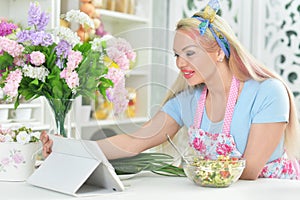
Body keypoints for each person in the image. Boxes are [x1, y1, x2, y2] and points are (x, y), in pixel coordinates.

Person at [41, 0, 300, 180]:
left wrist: (190, 168)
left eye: (190, 53)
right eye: (176, 54)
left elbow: (250, 171)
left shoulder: (269, 93)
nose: (179, 63)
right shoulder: (187, 101)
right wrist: (70, 148)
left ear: (219, 52)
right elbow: (134, 142)